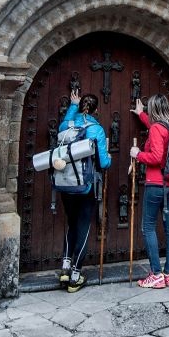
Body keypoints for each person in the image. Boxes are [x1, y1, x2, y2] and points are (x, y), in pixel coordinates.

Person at [58, 87, 109, 291]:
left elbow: (65, 123)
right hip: (86, 186)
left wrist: (72, 105)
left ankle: (64, 268)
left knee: (71, 224)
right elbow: (104, 163)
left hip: (65, 184)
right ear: (96, 111)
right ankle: (76, 275)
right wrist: (109, 159)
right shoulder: (96, 129)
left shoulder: (66, 125)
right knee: (83, 227)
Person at [130, 92, 169, 289]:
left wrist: (138, 154)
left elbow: (157, 157)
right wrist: (141, 115)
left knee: (148, 227)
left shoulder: (156, 129)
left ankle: (156, 274)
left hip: (156, 184)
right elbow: (157, 132)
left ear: (154, 110)